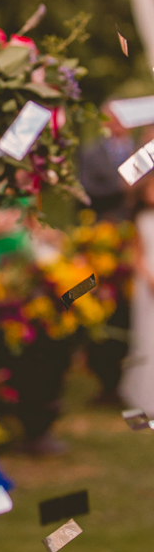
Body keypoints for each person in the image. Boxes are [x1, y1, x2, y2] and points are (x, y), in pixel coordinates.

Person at [120, 172, 154, 413]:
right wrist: (149, 278)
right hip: (146, 282)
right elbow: (137, 254)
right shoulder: (140, 219)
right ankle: (143, 394)